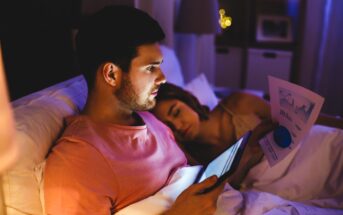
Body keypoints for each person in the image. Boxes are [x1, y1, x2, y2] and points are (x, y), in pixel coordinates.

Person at [44, 5, 226, 215]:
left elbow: (196, 172)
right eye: (150, 68)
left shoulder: (151, 121)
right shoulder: (78, 162)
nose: (162, 78)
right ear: (111, 74)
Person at [152, 82, 343, 187]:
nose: (177, 125)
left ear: (189, 101)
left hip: (311, 147)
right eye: (168, 126)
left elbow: (302, 118)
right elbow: (229, 187)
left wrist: (339, 123)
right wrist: (249, 150)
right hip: (286, 178)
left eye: (176, 112)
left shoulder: (238, 104)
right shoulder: (192, 157)